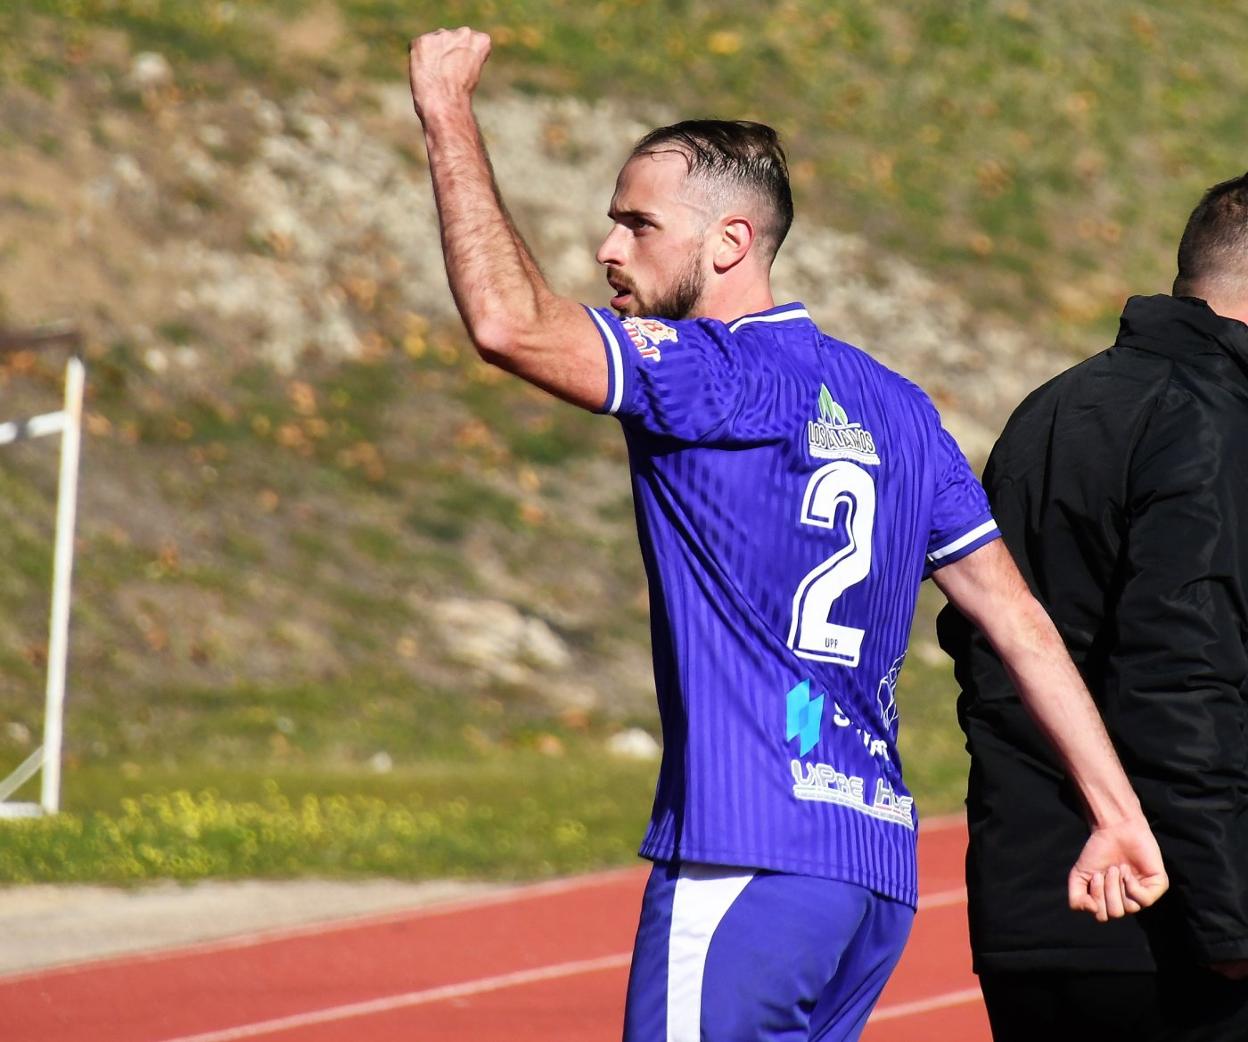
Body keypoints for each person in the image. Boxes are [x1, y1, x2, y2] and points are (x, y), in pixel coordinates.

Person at [408, 27, 1167, 1042]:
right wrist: (1116, 811)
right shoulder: (900, 409)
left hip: (746, 849)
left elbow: (509, 323)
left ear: (727, 243)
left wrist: (446, 112)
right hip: (870, 878)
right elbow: (1019, 621)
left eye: (636, 225)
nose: (607, 250)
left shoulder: (702, 370)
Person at [938, 174, 1248, 1041]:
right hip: (1166, 920)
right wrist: (1228, 919)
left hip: (1033, 906)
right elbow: (1185, 679)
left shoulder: (1054, 406)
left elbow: (981, 647)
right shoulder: (1212, 424)